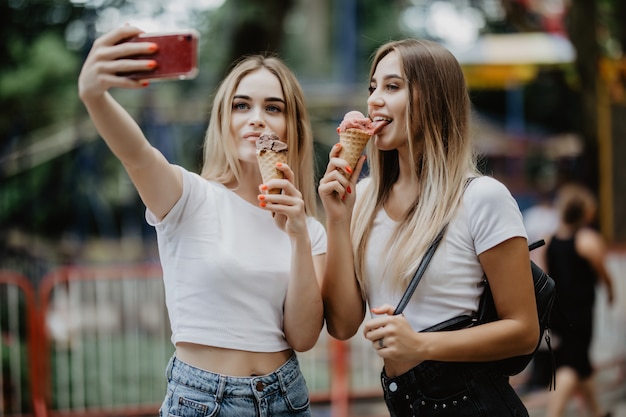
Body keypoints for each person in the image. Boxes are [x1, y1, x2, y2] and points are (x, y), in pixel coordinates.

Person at [78, 25, 326, 417]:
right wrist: (94, 96)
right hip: (203, 401)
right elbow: (137, 153)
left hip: (286, 399)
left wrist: (297, 237)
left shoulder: (309, 229)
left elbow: (304, 336)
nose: (257, 119)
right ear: (223, 119)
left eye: (273, 108)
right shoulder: (188, 197)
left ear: (292, 127)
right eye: (241, 106)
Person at [318, 38, 539, 416]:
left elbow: (523, 331)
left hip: (472, 402)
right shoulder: (363, 197)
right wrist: (337, 219)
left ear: (433, 98)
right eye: (373, 87)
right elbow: (342, 324)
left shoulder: (481, 197)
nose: (373, 99)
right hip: (404, 403)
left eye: (392, 86)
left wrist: (421, 345)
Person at [545, 183, 614, 417]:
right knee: (571, 366)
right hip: (580, 312)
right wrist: (611, 290)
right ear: (585, 212)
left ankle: (596, 412)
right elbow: (602, 270)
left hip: (559, 310)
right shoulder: (586, 240)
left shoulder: (550, 240)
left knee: (580, 362)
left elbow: (547, 276)